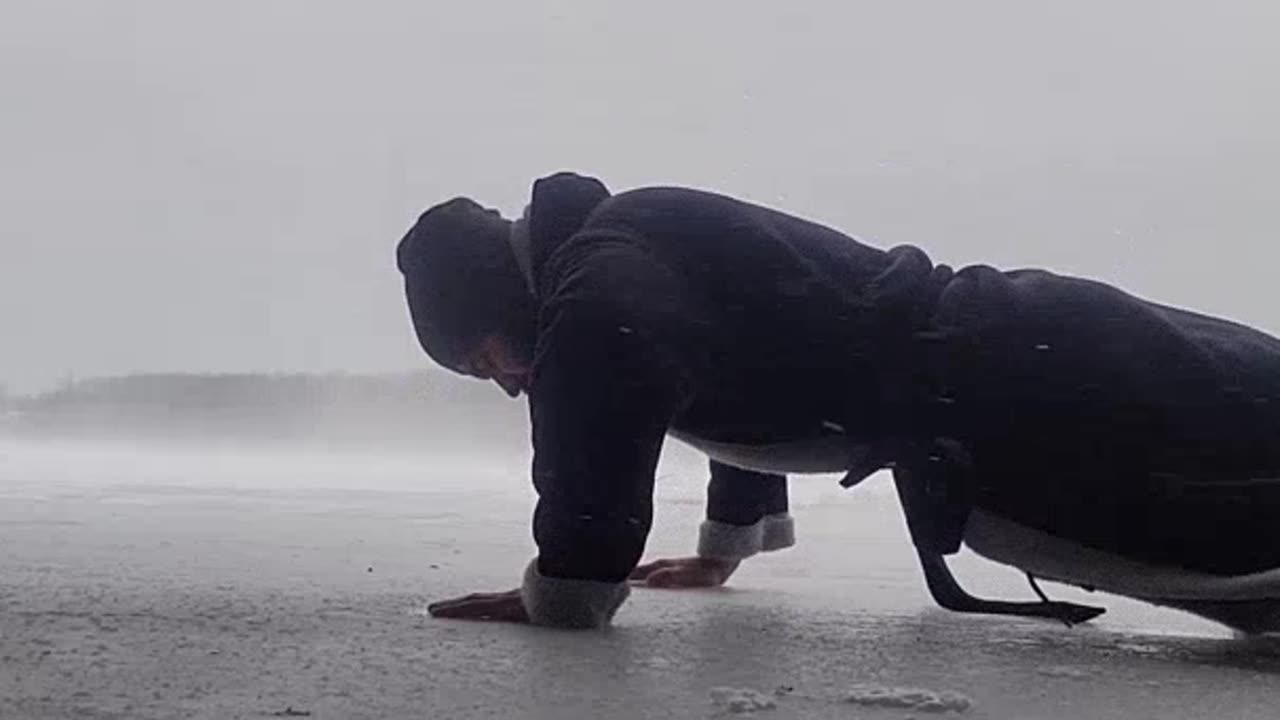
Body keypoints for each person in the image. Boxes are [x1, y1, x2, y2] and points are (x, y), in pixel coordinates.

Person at [396, 171, 1280, 633]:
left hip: (1034, 403)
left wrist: (567, 589)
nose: (514, 385)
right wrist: (725, 548)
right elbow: (733, 371)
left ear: (494, 300)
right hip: (1037, 346)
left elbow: (610, 377)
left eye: (487, 362)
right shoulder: (630, 235)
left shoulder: (596, 291)